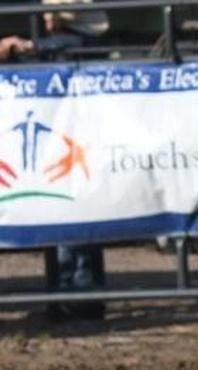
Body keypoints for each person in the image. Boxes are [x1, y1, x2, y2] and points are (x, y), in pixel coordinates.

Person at [2, 0, 110, 321]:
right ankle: (77, 294)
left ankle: (74, 294)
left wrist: (23, 47)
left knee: (68, 214)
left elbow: (58, 48)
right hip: (73, 145)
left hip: (69, 147)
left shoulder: (68, 45)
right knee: (74, 213)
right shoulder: (80, 46)